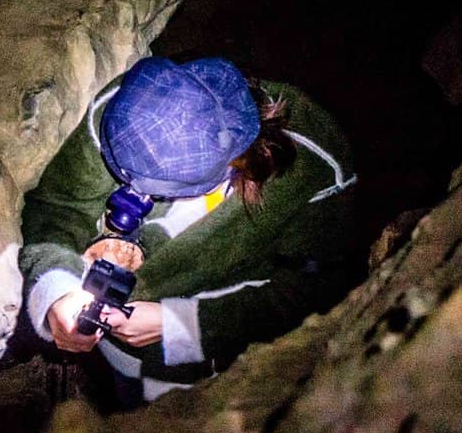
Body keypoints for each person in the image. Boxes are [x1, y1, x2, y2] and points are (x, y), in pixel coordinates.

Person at [18, 56, 357, 409]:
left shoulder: (316, 169)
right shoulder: (121, 106)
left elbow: (309, 294)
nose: (132, 195)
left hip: (209, 369)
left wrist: (179, 325)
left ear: (231, 164)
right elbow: (58, 207)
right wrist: (55, 291)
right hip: (114, 358)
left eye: (158, 189)